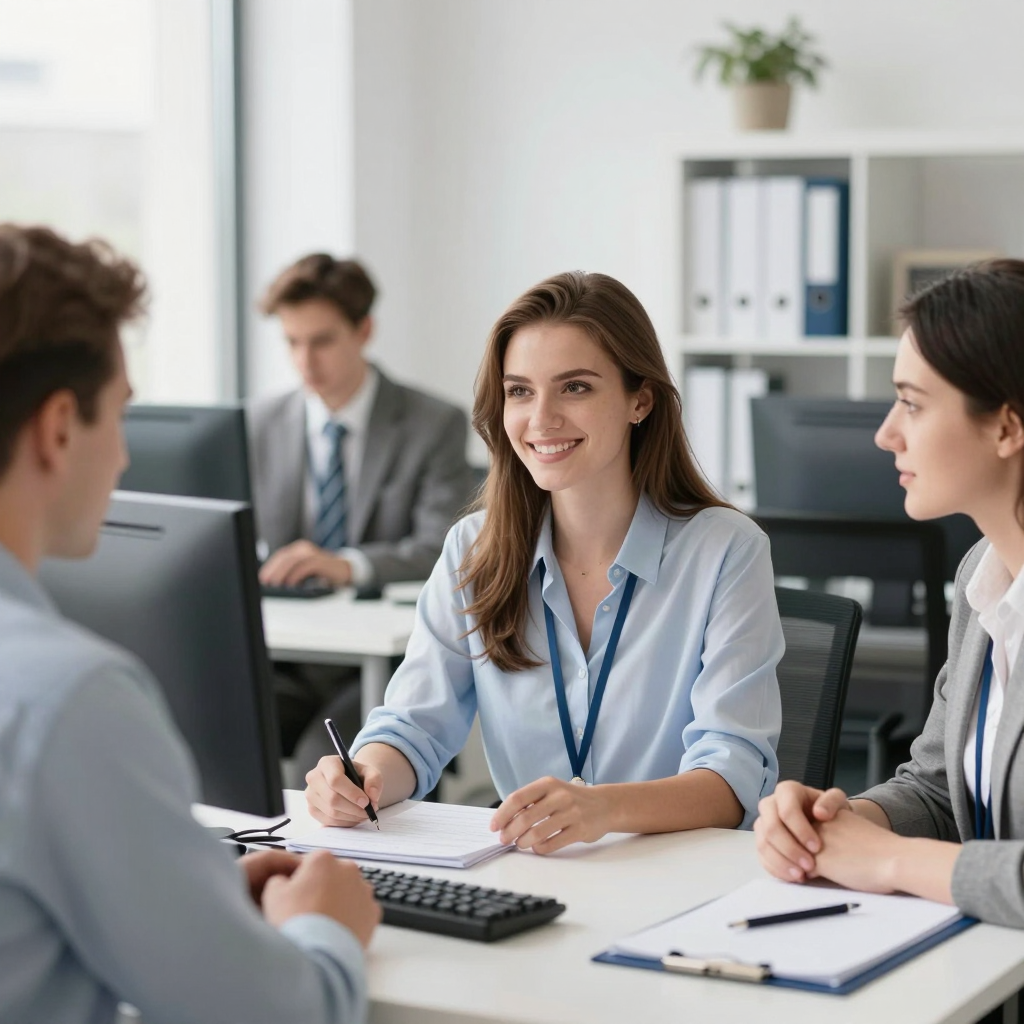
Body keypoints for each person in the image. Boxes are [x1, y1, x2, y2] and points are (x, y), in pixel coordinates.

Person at [0, 224, 379, 1023]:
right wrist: (329, 929)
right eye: (121, 419)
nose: (126, 460)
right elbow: (278, 1014)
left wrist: (181, 885)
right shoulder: (71, 701)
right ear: (60, 427)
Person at [306, 271, 783, 853]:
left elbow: (735, 775)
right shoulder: (472, 549)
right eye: (520, 391)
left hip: (674, 876)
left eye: (575, 387)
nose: (541, 419)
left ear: (641, 399)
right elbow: (415, 727)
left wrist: (603, 808)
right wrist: (363, 777)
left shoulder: (725, 550)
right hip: (531, 874)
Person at [753, 258, 1024, 929]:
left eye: (912, 402)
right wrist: (837, 824)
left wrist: (893, 862)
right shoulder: (982, 578)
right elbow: (939, 789)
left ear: (1007, 428)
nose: (886, 433)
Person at [250, 253, 475, 591]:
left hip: (381, 627)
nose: (304, 361)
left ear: (364, 330)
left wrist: (345, 566)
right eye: (292, 342)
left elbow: (443, 548)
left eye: (322, 341)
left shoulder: (434, 424)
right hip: (285, 619)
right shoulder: (258, 423)